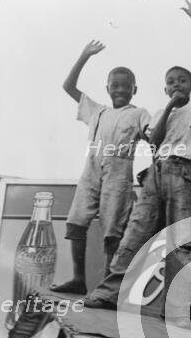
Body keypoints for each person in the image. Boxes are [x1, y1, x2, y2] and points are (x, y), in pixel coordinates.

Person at [83, 0, 191, 328]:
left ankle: (179, 308)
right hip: (156, 174)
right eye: (170, 82)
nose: (176, 85)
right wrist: (169, 105)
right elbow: (152, 141)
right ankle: (111, 293)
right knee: (135, 235)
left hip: (185, 174)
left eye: (182, 81)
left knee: (182, 242)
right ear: (164, 88)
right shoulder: (160, 112)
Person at [51, 40, 150, 295]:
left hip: (119, 171)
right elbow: (68, 86)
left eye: (126, 86)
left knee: (112, 229)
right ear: (107, 88)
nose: (120, 90)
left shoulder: (139, 113)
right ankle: (78, 279)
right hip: (92, 168)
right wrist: (84, 55)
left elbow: (153, 137)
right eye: (115, 85)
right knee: (76, 222)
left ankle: (106, 287)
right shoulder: (97, 110)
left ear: (134, 89)